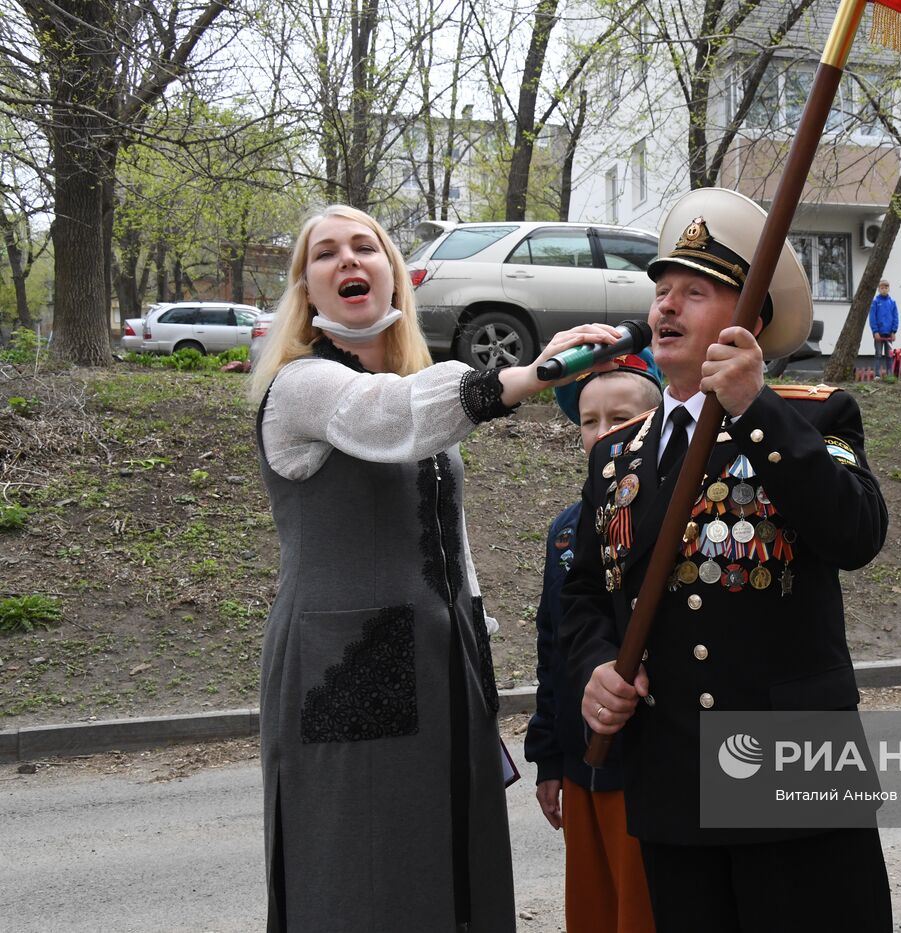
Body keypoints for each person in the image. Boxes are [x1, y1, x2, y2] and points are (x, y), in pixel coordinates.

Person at [248, 204, 624, 933]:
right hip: (343, 668)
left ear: (393, 273)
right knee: (362, 872)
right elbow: (387, 414)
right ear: (306, 288)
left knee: (454, 860)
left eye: (366, 247)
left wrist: (475, 654)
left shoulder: (418, 390)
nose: (348, 260)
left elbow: (454, 545)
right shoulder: (301, 386)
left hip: (441, 662)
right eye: (326, 253)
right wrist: (529, 373)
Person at [560, 188, 893, 931]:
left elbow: (857, 533)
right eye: (661, 290)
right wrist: (597, 666)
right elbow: (584, 591)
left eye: (695, 292)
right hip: (672, 775)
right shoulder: (617, 455)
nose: (666, 306)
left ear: (750, 322)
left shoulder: (814, 415)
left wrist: (754, 409)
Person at [525, 352, 663, 933]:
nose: (604, 433)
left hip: (649, 765)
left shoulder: (675, 512)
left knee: (646, 909)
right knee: (594, 912)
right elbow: (554, 644)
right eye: (590, 421)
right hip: (583, 762)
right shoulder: (567, 529)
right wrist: (549, 757)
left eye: (622, 418)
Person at [868, 278, 898, 377]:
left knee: (889, 355)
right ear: (878, 289)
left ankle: (889, 375)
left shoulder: (892, 302)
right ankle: (877, 375)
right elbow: (872, 318)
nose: (884, 290)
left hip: (889, 333)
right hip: (879, 333)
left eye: (886, 288)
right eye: (882, 288)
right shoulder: (875, 302)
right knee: (878, 354)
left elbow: (895, 317)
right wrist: (875, 331)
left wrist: (894, 331)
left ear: (889, 289)